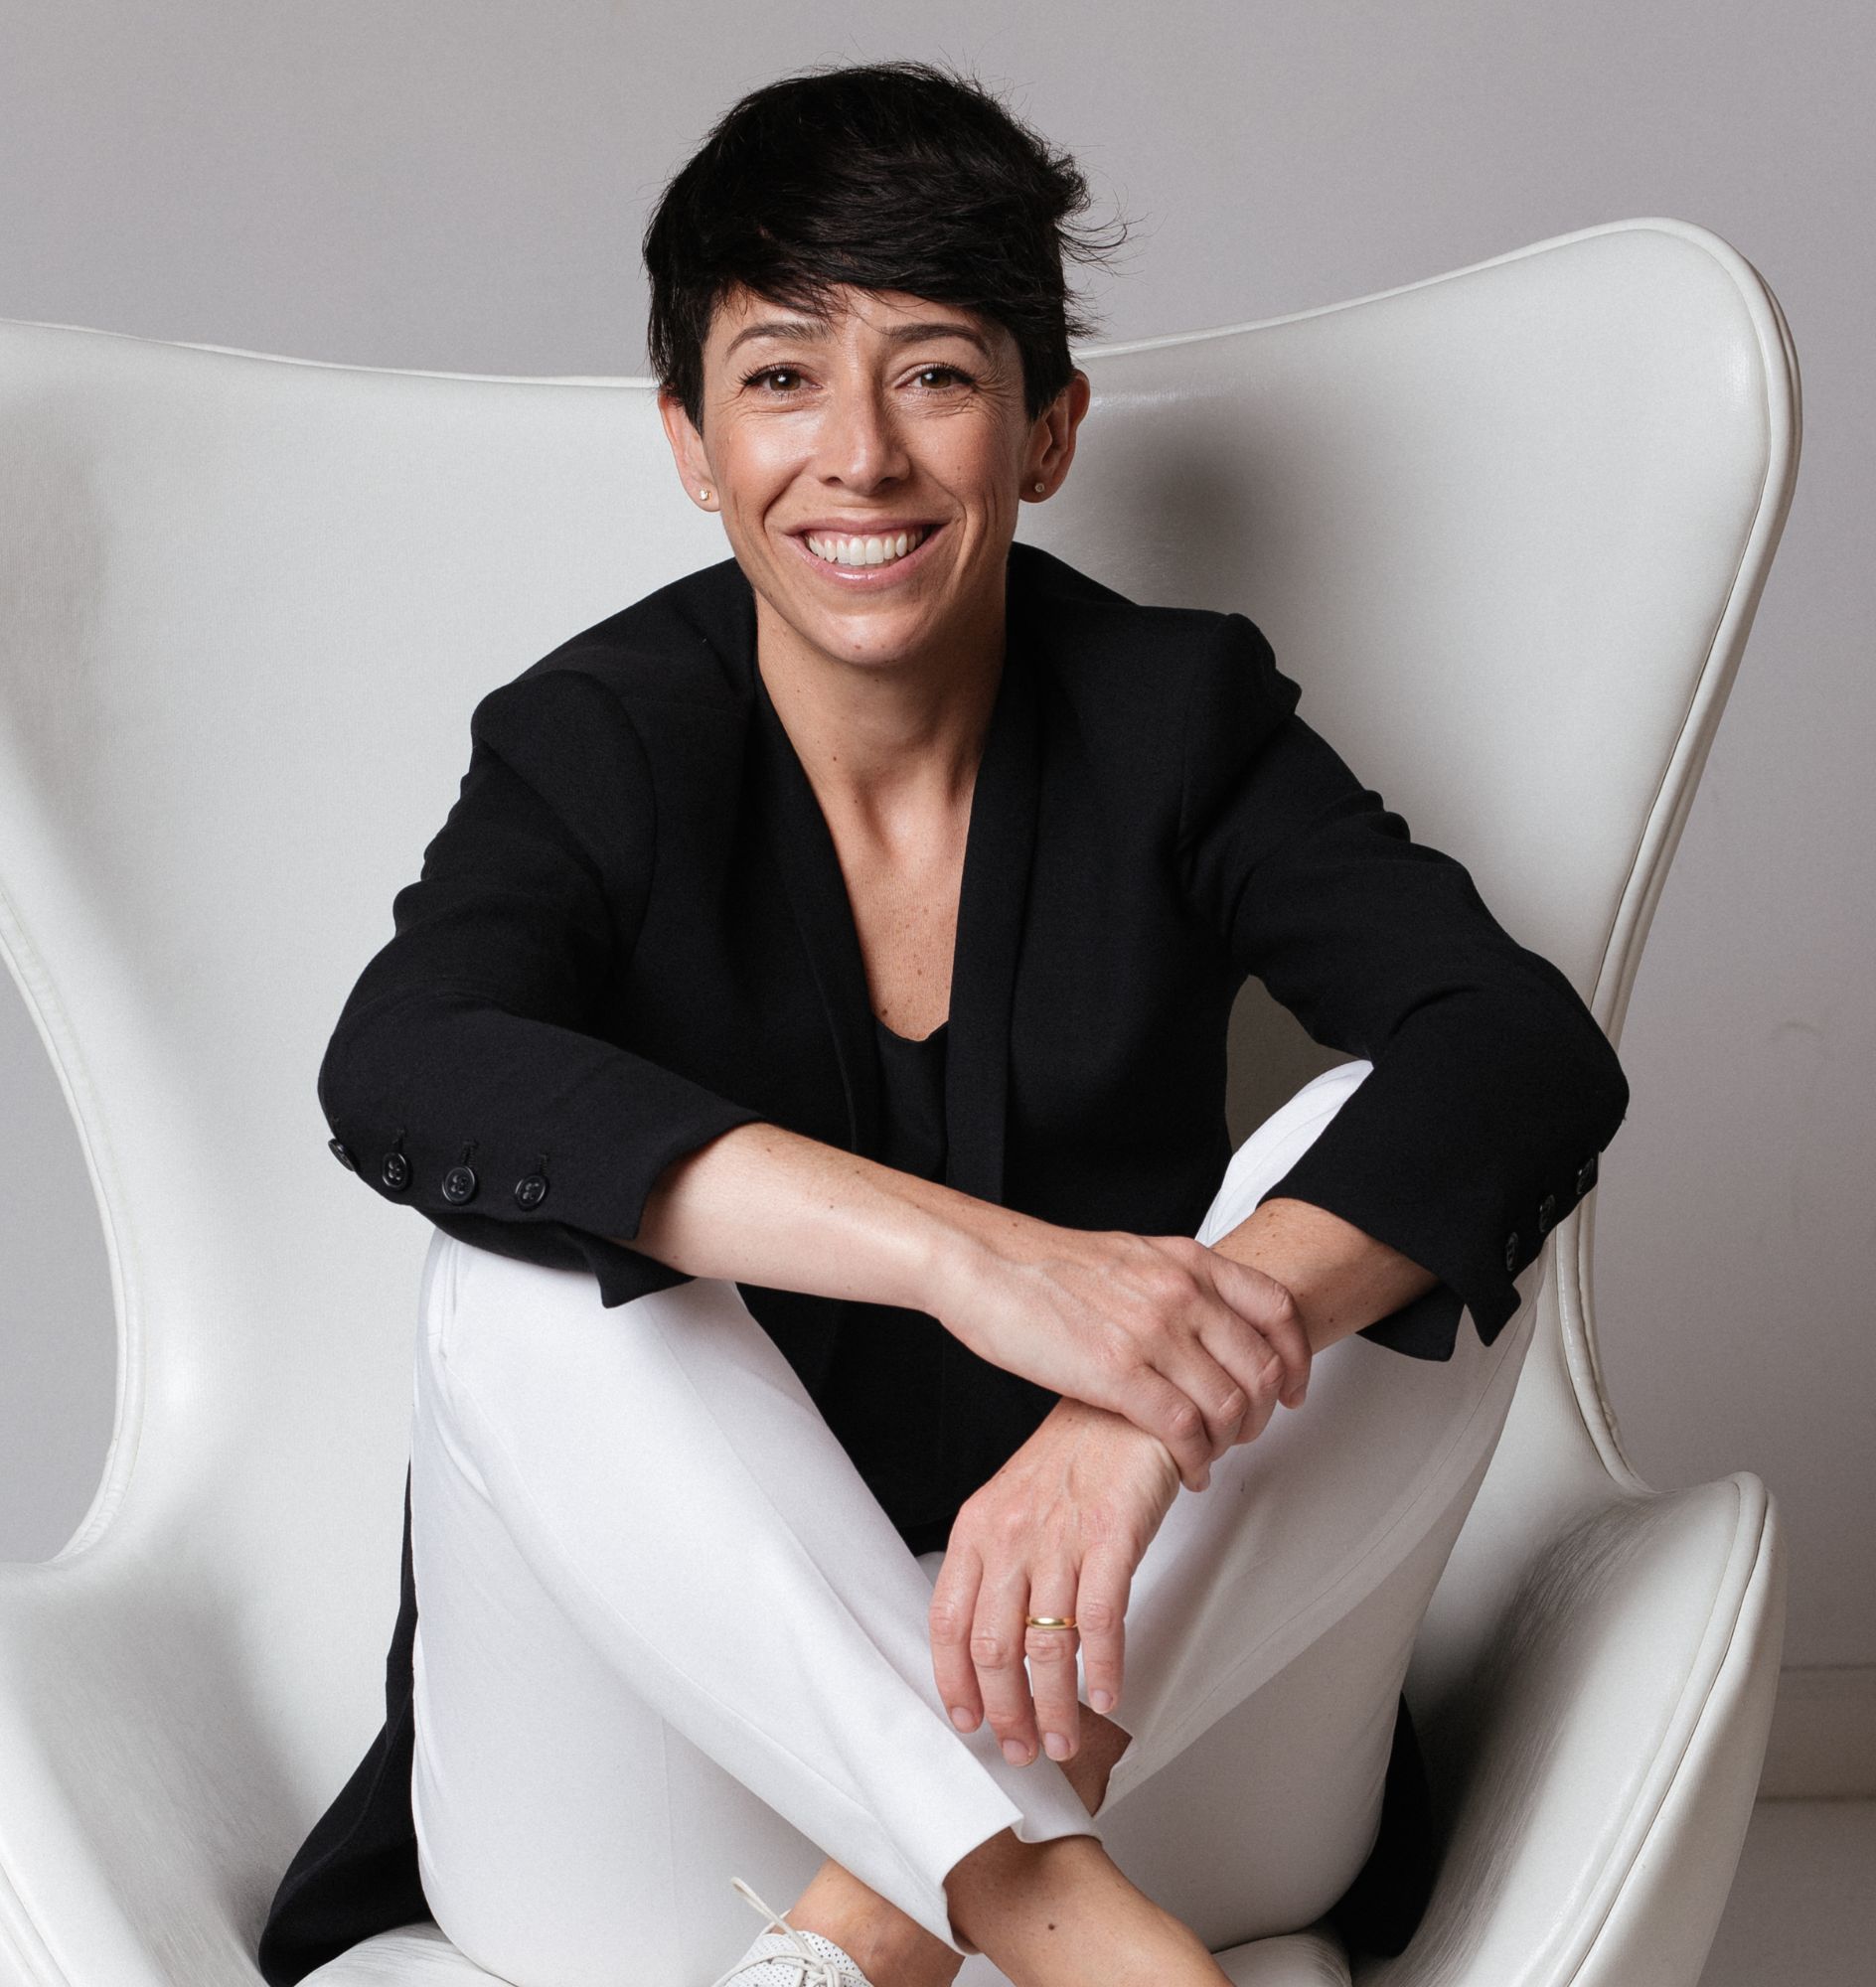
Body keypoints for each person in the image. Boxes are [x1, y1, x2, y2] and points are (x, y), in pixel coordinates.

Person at [257, 58, 1629, 1987]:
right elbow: (404, 1062)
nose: (860, 456)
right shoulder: (601, 742)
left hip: (1144, 1706)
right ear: (687, 437)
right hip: (658, 1801)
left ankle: (877, 1923)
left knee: (1396, 1169)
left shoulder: (1170, 716)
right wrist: (981, 1266)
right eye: (780, 376)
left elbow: (1524, 1053)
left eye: (933, 373)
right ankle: (1027, 1907)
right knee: (513, 1264)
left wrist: (1118, 1425)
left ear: (1047, 429)